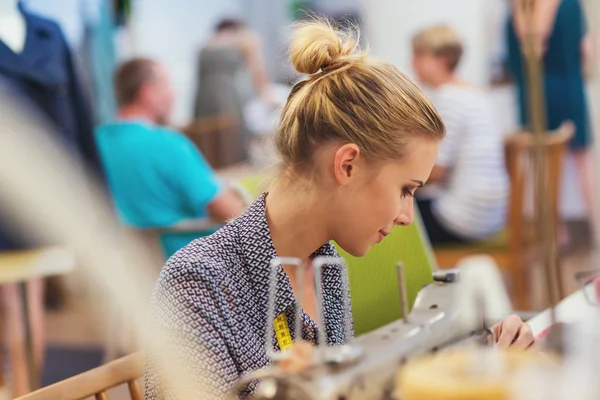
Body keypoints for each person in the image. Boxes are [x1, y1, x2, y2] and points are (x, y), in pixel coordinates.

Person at [145, 20, 534, 399]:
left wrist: (478, 361)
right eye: (405, 190)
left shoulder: (325, 266)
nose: (406, 216)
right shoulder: (198, 285)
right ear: (347, 165)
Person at [95, 58, 246, 258]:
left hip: (125, 267)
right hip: (187, 268)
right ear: (147, 93)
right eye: (167, 85)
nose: (173, 95)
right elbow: (232, 212)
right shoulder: (167, 144)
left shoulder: (96, 143)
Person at [507, 0, 596, 244]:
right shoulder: (570, 4)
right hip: (569, 85)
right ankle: (592, 229)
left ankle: (555, 234)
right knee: (582, 162)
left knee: (543, 166)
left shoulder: (521, 7)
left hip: (536, 89)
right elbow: (585, 48)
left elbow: (528, 48)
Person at [411, 25, 509, 244]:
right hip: (492, 215)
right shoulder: (476, 94)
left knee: (390, 215)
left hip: (465, 218)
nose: (413, 65)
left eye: (419, 56)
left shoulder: (449, 98)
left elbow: (436, 172)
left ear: (444, 58)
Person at [192, 17, 272, 168]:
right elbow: (258, 71)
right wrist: (265, 95)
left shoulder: (205, 44)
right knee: (231, 135)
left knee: (208, 138)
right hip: (226, 94)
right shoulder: (246, 39)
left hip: (203, 95)